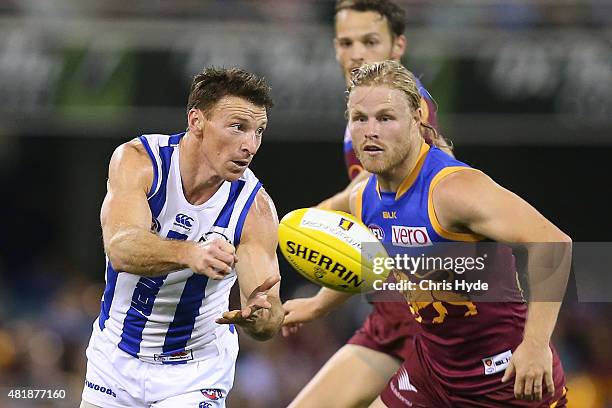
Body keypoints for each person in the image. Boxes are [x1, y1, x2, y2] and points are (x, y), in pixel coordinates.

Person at [349, 60, 570, 406]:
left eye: (385, 118)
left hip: (507, 378)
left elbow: (554, 244)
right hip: (431, 374)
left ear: (416, 118)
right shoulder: (362, 200)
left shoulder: (454, 190)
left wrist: (536, 344)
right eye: (359, 118)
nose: (369, 131)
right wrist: (316, 303)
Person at [80, 67, 284, 408]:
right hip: (115, 358)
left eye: (259, 131)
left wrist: (262, 317)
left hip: (195, 372)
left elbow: (267, 310)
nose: (250, 146)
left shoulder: (255, 210)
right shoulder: (140, 161)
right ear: (196, 121)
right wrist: (192, 254)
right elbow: (121, 248)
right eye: (238, 127)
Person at [283, 1, 450, 406]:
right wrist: (323, 210)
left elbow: (401, 227)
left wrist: (320, 303)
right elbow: (367, 197)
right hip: (389, 314)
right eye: (346, 41)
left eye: (370, 41)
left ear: (398, 47)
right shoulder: (364, 111)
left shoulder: (405, 111)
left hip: (431, 316)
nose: (357, 52)